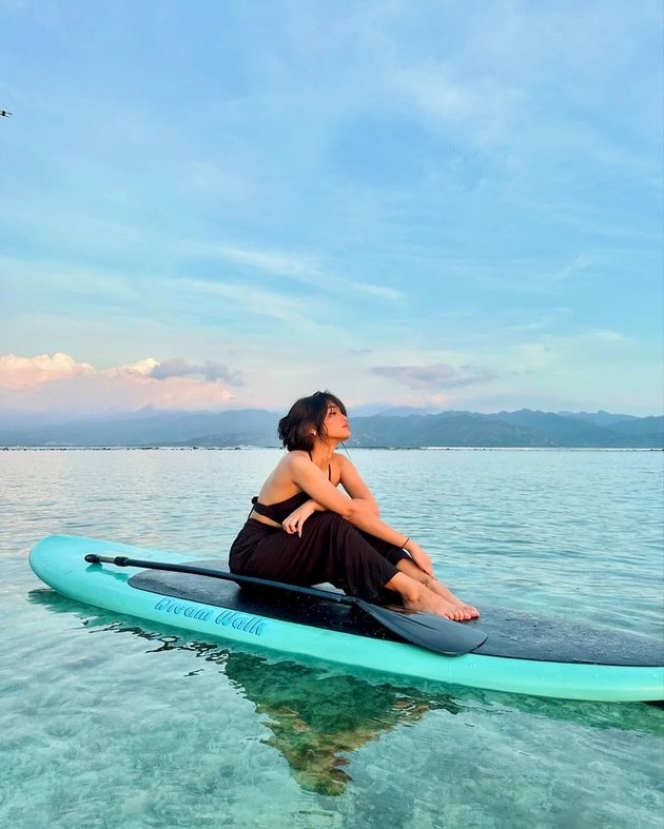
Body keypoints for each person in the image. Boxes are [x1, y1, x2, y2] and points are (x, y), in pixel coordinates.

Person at [229, 391, 479, 621]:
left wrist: (315, 505)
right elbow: (350, 510)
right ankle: (413, 592)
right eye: (332, 413)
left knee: (356, 524)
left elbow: (370, 509)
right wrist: (411, 544)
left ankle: (429, 585)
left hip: (297, 559)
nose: (343, 417)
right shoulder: (295, 462)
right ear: (310, 428)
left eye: (342, 411)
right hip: (254, 558)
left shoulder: (338, 463)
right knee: (335, 522)